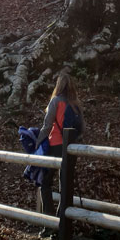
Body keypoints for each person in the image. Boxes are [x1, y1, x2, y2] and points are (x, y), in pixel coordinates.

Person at [34, 70, 84, 227]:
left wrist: (38, 142)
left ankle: (49, 223)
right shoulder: (76, 105)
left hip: (55, 146)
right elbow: (82, 129)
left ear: (59, 85)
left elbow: (47, 125)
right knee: (65, 186)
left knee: (45, 183)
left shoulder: (55, 101)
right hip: (71, 148)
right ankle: (61, 225)